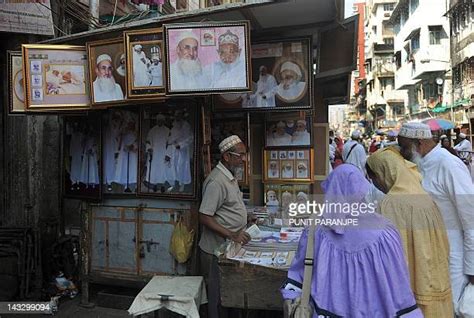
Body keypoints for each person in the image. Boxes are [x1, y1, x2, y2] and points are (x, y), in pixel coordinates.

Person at [281, 164, 422, 317]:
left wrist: (291, 296)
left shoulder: (314, 230)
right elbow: (398, 279)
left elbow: (300, 272)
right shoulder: (386, 232)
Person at [366, 147, 453, 317]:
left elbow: (386, 254)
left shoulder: (390, 204)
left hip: (406, 288)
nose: (374, 184)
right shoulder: (426, 198)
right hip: (434, 278)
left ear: (384, 173)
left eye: (373, 177)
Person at [397, 122, 474, 311]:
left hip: (454, 257)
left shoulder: (448, 165)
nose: (402, 152)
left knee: (453, 309)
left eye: (405, 147)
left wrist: (472, 267)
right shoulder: (419, 164)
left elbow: (471, 217)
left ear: (419, 143)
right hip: (429, 256)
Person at [198, 135, 252, 318]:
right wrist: (232, 234)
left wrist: (246, 218)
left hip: (225, 249)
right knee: (217, 296)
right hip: (214, 250)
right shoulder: (216, 181)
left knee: (227, 294)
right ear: (227, 157)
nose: (243, 159)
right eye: (240, 155)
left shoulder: (229, 177)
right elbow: (204, 216)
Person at [166, 110, 194, 192]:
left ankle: (182, 184)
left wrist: (180, 144)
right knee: (173, 166)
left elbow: (190, 138)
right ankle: (174, 184)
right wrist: (170, 142)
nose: (177, 118)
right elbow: (170, 137)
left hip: (182, 150)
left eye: (178, 116)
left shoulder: (186, 125)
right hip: (173, 150)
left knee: (181, 167)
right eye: (176, 116)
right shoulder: (174, 126)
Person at [115, 115, 138, 192]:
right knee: (124, 168)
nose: (130, 125)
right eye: (129, 124)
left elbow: (136, 142)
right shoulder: (123, 133)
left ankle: (134, 185)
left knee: (133, 168)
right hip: (124, 153)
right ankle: (125, 185)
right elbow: (118, 139)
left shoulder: (135, 133)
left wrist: (132, 147)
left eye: (131, 124)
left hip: (132, 154)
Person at [104, 111, 123, 188]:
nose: (116, 121)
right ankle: (108, 181)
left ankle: (113, 180)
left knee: (115, 164)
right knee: (108, 163)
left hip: (115, 147)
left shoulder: (117, 126)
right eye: (115, 119)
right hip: (109, 147)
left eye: (117, 119)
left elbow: (118, 135)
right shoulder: (110, 126)